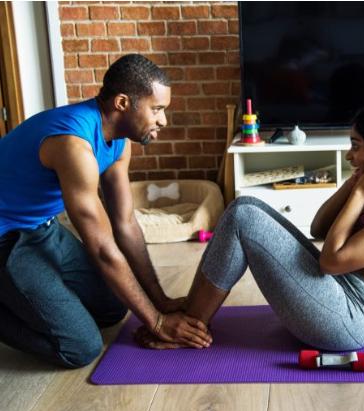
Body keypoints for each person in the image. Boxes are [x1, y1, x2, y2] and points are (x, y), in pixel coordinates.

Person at [136, 95, 364, 351]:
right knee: (244, 206)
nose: (348, 155)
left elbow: (330, 261)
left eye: (356, 146)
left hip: (351, 320)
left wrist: (360, 195)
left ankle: (187, 326)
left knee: (243, 218)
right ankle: (192, 317)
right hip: (337, 292)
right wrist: (355, 185)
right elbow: (319, 228)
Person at [0, 54, 210, 368]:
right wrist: (156, 323)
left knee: (112, 309)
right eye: (156, 109)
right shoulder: (73, 144)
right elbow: (102, 247)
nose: (163, 121)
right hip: (6, 238)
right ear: (123, 102)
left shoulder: (120, 140)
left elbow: (124, 223)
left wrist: (159, 301)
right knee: (80, 348)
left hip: (42, 228)